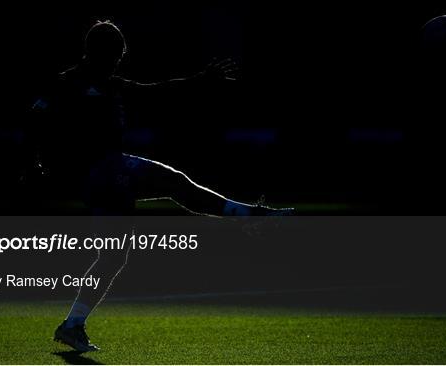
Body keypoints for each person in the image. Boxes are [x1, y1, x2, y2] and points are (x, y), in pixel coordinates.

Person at [30, 20, 292, 352]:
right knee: (173, 182)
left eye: (120, 55)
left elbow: (155, 91)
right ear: (97, 52)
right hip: (101, 171)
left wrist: (201, 80)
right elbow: (35, 118)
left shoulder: (110, 84)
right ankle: (247, 215)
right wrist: (35, 162)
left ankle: (72, 325)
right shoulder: (69, 83)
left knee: (114, 256)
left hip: (106, 177)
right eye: (114, 54)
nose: (117, 61)